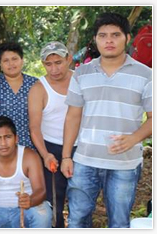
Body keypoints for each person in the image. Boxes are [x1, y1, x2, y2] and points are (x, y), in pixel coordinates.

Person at [61, 12, 152, 228]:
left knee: (119, 222)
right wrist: (66, 156)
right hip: (85, 160)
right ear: (95, 40)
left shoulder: (146, 75)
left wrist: (134, 138)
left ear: (127, 38)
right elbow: (73, 116)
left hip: (125, 163)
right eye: (102, 36)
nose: (108, 40)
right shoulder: (81, 73)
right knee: (77, 219)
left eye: (115, 35)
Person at [27, 41, 74, 228]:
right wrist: (45, 154)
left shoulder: (80, 81)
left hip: (81, 146)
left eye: (59, 62)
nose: (54, 69)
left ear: (68, 59)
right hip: (52, 147)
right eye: (48, 64)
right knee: (53, 200)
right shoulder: (39, 88)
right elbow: (35, 127)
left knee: (80, 197)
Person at [0, 41, 38, 150]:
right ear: (0, 64)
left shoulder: (35, 84)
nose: (11, 64)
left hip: (29, 144)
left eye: (14, 59)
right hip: (0, 145)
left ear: (22, 60)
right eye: (6, 60)